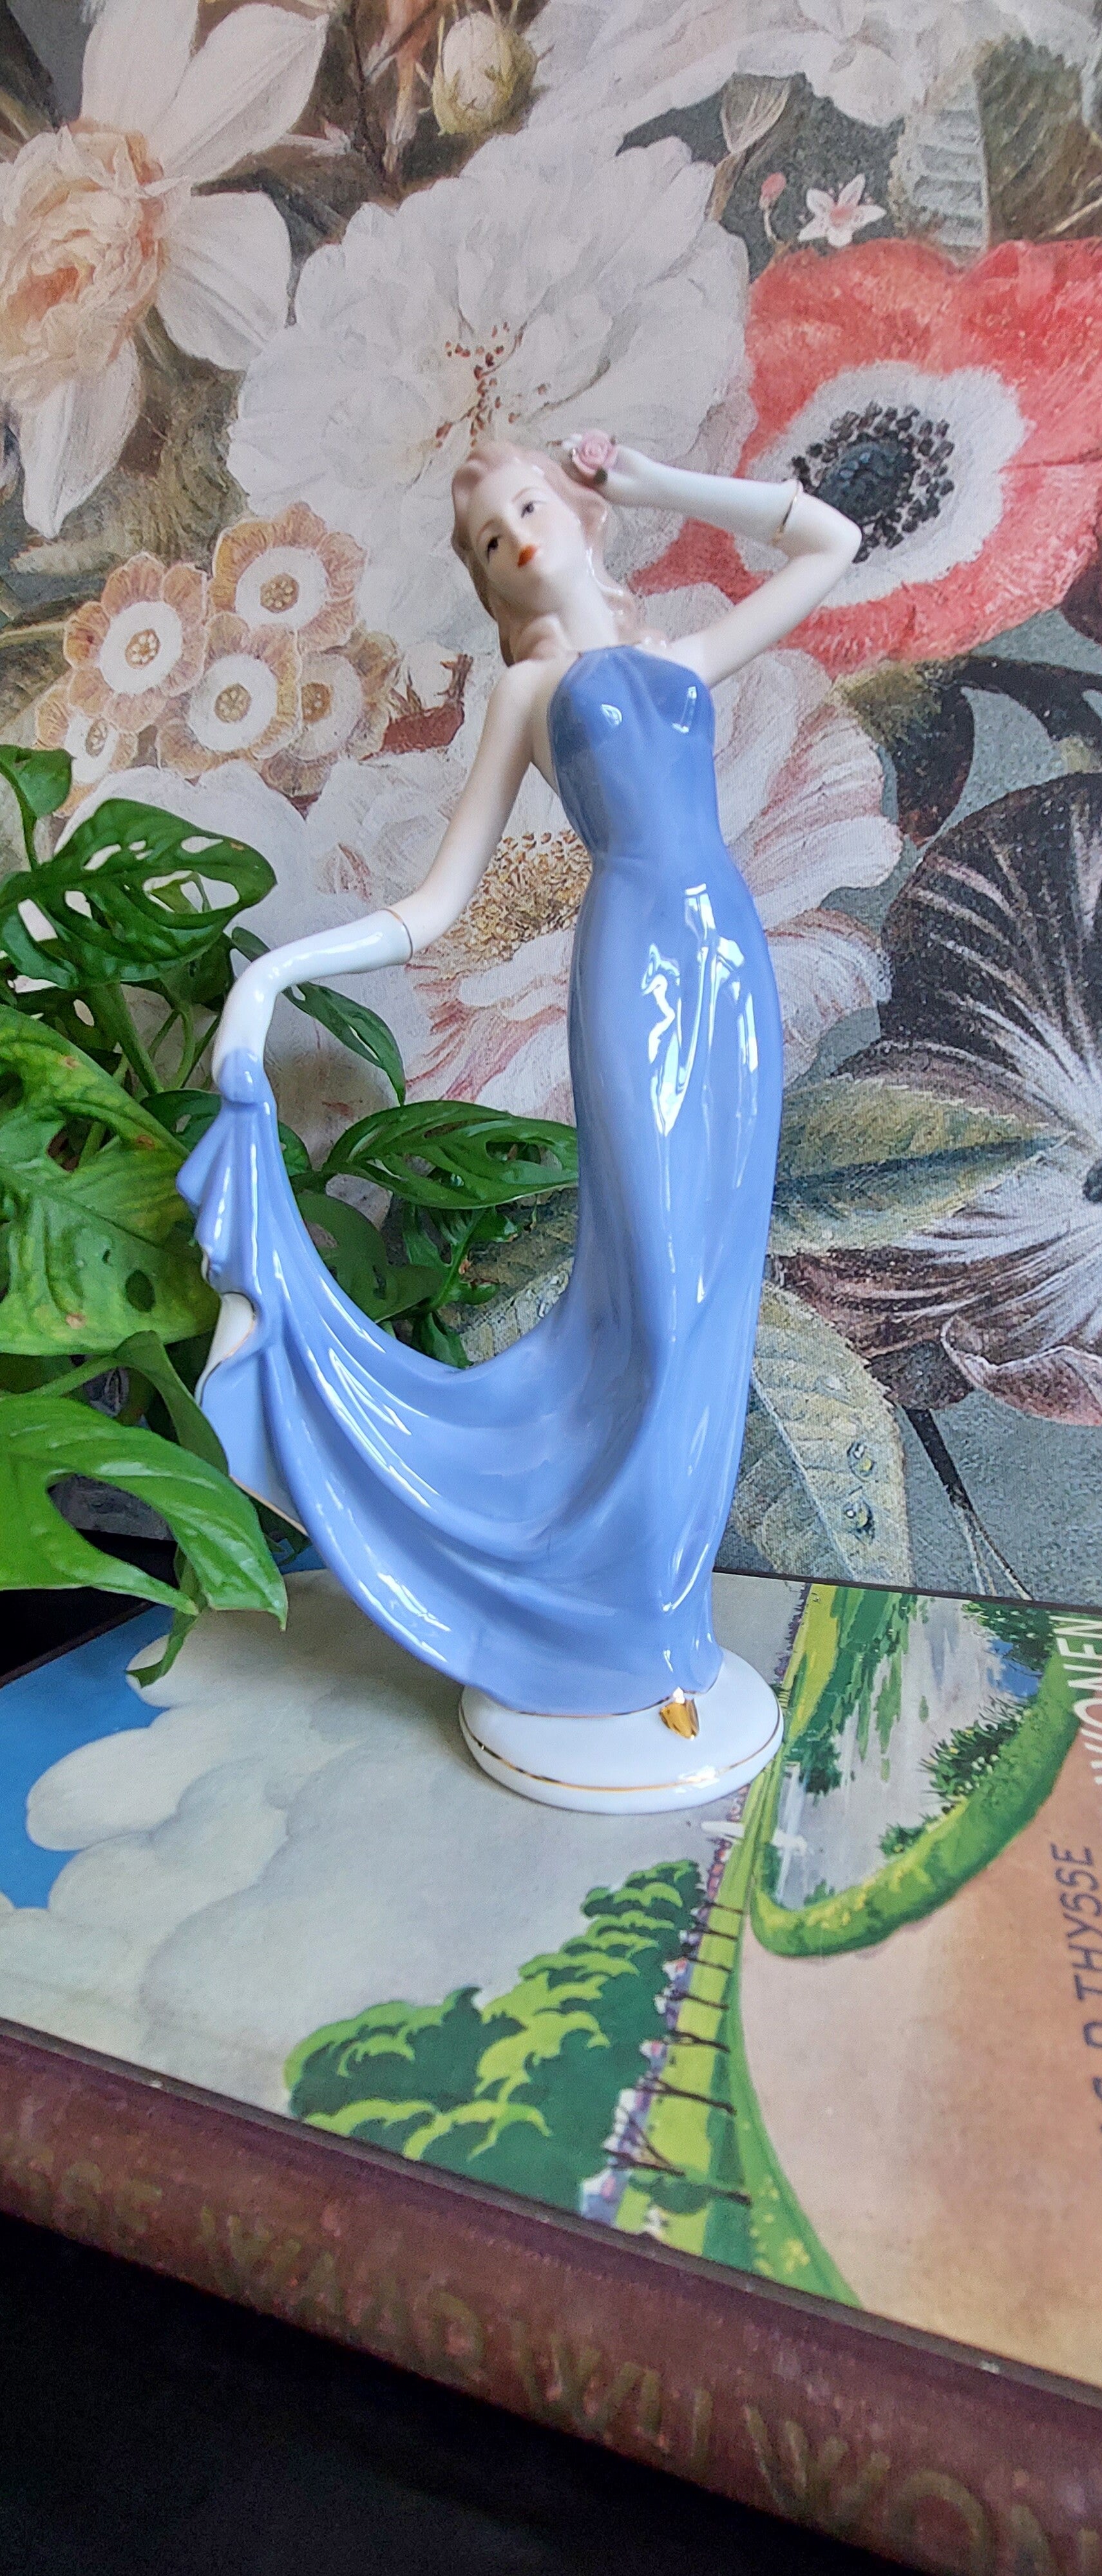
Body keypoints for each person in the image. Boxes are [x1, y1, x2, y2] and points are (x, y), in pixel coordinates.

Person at [180, 437, 859, 1804]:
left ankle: (661, 1631)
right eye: (491, 538)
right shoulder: (531, 692)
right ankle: (607, 1621)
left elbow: (830, 543)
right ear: (488, 583)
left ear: (582, 515)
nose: (519, 540)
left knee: (716, 1297)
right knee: (657, 1298)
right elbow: (438, 902)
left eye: (532, 508)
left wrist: (656, 483)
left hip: (730, 962)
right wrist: (275, 972)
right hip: (633, 972)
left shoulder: (678, 654)